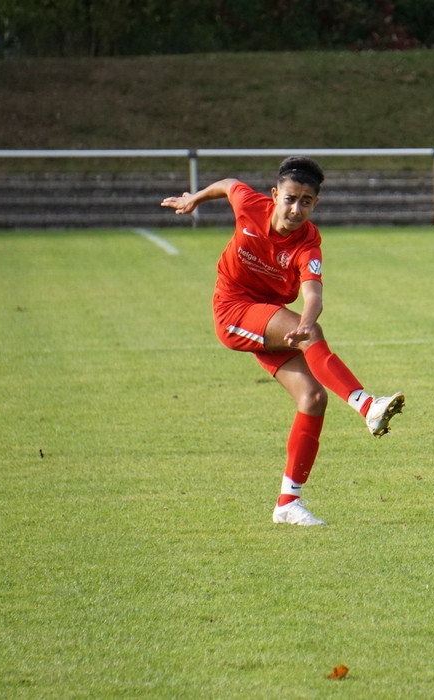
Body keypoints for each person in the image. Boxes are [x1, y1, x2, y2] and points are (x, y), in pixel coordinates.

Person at [161, 156, 404, 527]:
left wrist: (305, 322)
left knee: (313, 398)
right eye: (290, 199)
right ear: (274, 195)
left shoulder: (308, 243)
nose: (296, 209)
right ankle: (367, 405)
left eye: (306, 202)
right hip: (233, 310)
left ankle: (288, 502)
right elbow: (229, 184)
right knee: (313, 338)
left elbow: (314, 294)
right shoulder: (250, 205)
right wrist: (194, 197)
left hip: (268, 316)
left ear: (315, 204)